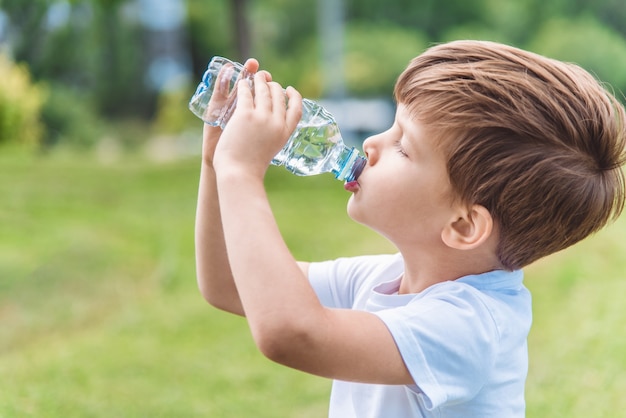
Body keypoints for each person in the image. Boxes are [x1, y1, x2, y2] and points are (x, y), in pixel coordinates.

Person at [194, 40, 626, 417]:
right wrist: (216, 161)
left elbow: (291, 333)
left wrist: (241, 173)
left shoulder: (469, 327)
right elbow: (228, 284)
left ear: (463, 225)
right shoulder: (383, 279)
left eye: (403, 145)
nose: (372, 144)